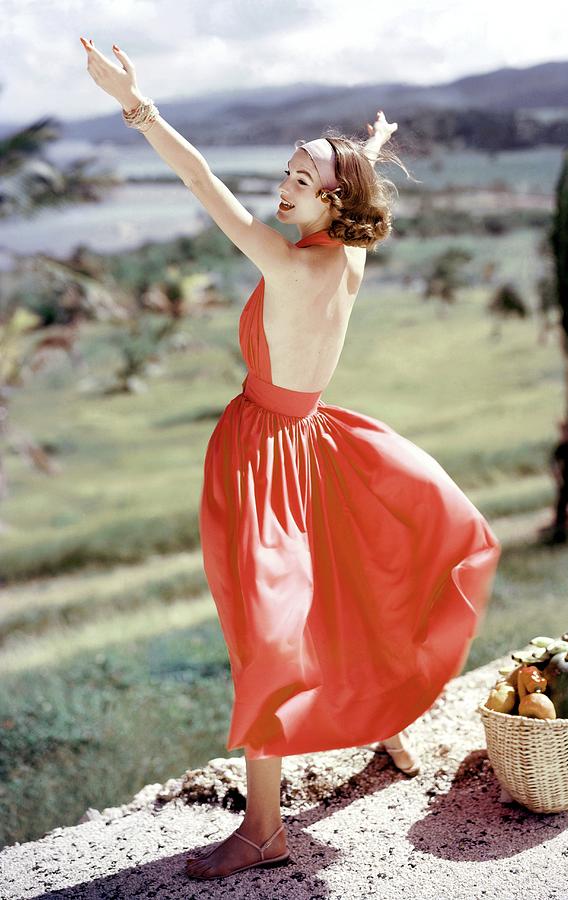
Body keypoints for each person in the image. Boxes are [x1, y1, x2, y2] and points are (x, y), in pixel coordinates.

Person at [80, 37, 502, 882]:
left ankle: (265, 830)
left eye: (301, 181)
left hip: (267, 451)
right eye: (285, 170)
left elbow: (202, 183)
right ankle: (389, 725)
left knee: (264, 633)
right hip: (316, 439)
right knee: (355, 579)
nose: (282, 187)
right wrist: (366, 153)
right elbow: (343, 196)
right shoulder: (348, 249)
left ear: (331, 200)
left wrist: (138, 104)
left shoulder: (286, 260)